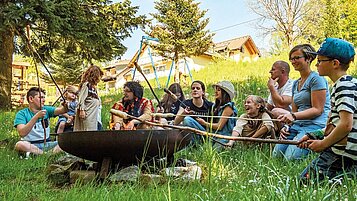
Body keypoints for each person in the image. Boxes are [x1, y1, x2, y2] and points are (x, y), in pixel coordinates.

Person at [297, 38, 357, 183]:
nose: (316, 64)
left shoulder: (343, 86)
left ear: (335, 63)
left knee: (304, 182)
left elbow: (346, 125)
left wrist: (323, 144)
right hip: (345, 151)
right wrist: (315, 135)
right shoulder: (351, 83)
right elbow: (338, 123)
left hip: (341, 154)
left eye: (319, 60)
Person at [273, 44, 331, 160]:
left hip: (314, 125)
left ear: (308, 58)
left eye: (297, 58)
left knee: (290, 159)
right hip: (298, 125)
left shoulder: (316, 79)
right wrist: (287, 127)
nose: (293, 61)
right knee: (276, 156)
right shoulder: (295, 83)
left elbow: (317, 110)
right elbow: (295, 111)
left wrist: (293, 116)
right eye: (291, 59)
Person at [14, 87, 68, 157]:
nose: (44, 100)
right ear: (31, 99)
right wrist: (36, 117)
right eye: (40, 97)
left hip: (47, 144)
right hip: (31, 145)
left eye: (44, 97)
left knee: (65, 143)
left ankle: (40, 155)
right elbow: (22, 133)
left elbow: (63, 110)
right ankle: (47, 155)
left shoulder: (46, 109)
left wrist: (65, 106)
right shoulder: (22, 114)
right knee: (19, 145)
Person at [194, 81, 238, 145]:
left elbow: (219, 126)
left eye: (219, 90)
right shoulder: (215, 106)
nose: (216, 92)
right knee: (188, 120)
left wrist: (204, 123)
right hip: (214, 135)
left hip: (224, 137)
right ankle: (196, 144)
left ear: (224, 93)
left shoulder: (228, 107)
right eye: (216, 90)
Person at [74, 65, 103, 131]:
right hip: (87, 114)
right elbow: (81, 98)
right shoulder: (86, 84)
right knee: (87, 131)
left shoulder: (93, 88)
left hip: (93, 115)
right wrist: (82, 110)